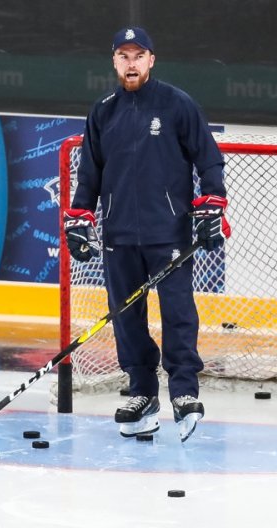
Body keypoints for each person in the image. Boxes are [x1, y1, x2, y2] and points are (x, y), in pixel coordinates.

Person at [63, 27, 230, 442]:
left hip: (168, 233)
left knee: (178, 313)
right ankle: (142, 392)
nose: (131, 63)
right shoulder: (103, 112)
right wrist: (81, 217)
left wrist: (212, 204)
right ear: (115, 62)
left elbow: (209, 161)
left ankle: (184, 391)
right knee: (125, 316)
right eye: (124, 55)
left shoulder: (177, 104)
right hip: (118, 236)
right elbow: (89, 177)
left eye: (139, 55)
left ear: (152, 60)